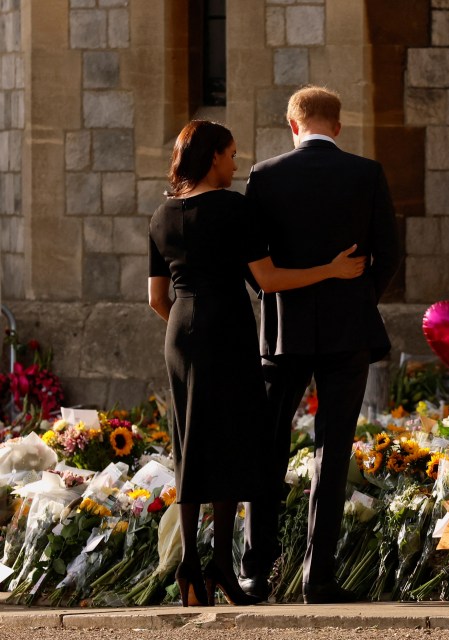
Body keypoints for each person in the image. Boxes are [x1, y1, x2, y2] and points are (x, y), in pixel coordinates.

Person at [147, 120, 366, 607]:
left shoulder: (162, 214)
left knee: (189, 439)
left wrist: (187, 324)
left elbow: (156, 298)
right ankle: (222, 564)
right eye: (229, 155)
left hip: (179, 331)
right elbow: (268, 279)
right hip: (226, 330)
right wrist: (329, 269)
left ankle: (190, 568)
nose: (235, 163)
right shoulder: (232, 208)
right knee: (232, 440)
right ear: (212, 159)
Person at [239, 85, 400, 604]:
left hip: (283, 332)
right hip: (346, 331)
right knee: (332, 453)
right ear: (336, 125)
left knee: (266, 446)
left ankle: (255, 572)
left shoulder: (264, 176)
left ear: (293, 126)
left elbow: (252, 264)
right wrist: (356, 296)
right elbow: (389, 253)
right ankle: (318, 577)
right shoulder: (366, 173)